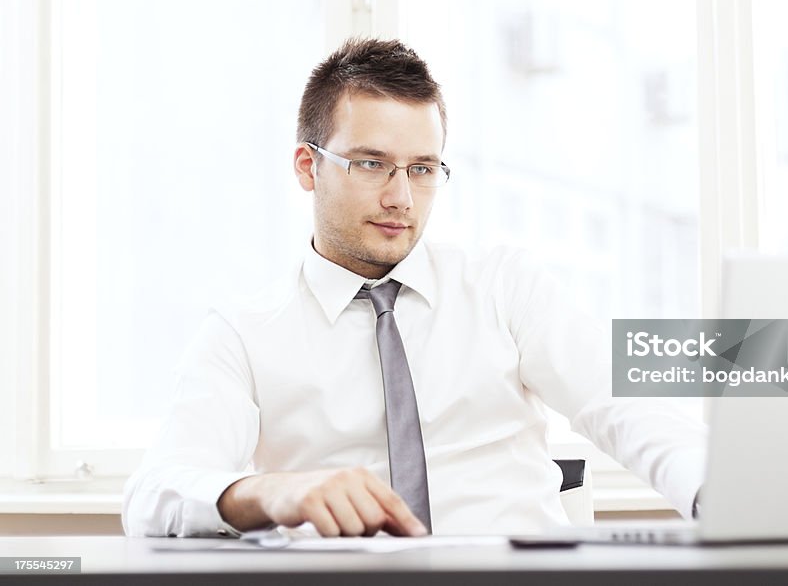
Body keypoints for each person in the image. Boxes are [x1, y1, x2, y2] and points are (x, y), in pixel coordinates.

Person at [122, 38, 706, 538]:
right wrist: (268, 493)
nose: (401, 198)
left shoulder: (505, 286)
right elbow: (155, 493)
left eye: (422, 169)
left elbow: (625, 404)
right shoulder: (244, 333)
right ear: (307, 166)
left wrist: (722, 498)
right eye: (371, 164)